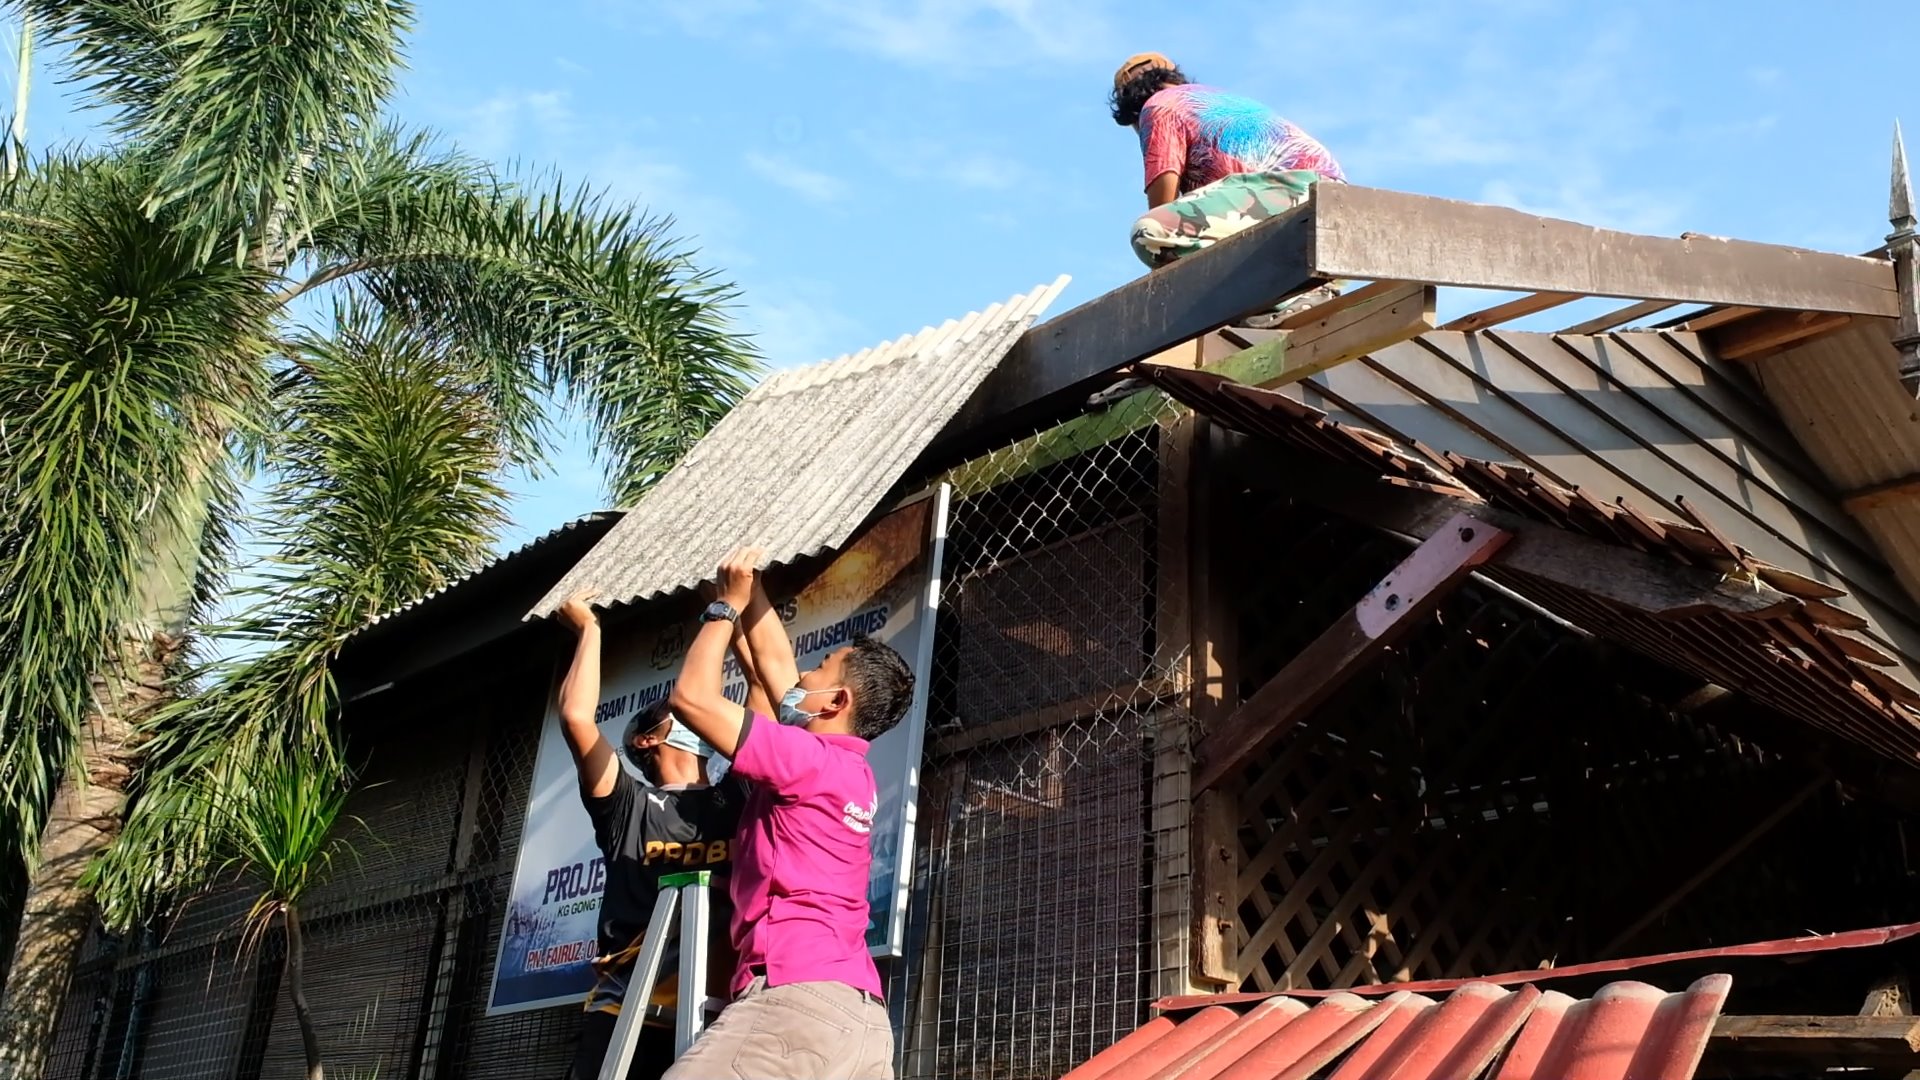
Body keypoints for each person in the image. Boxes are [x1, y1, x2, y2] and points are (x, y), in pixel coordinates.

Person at [662, 546, 916, 1079]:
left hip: (795, 1005)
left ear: (835, 702)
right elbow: (776, 665)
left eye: (819, 667)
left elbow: (692, 699)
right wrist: (749, 586)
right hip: (861, 1019)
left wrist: (724, 610)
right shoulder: (848, 769)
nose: (803, 669)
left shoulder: (807, 760)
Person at [553, 590, 746, 1080]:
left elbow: (762, 699)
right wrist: (589, 629)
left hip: (716, 1015)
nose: (694, 712)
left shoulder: (736, 796)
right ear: (647, 739)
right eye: (677, 710)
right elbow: (577, 718)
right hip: (625, 1010)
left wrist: (734, 613)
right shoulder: (628, 804)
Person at [1112, 52, 1347, 327]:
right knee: (1213, 240)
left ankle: (1292, 296)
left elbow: (1163, 199)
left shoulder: (1158, 107)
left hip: (1291, 190)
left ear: (1132, 109)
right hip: (1324, 195)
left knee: (1150, 233)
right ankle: (1287, 294)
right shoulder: (1212, 99)